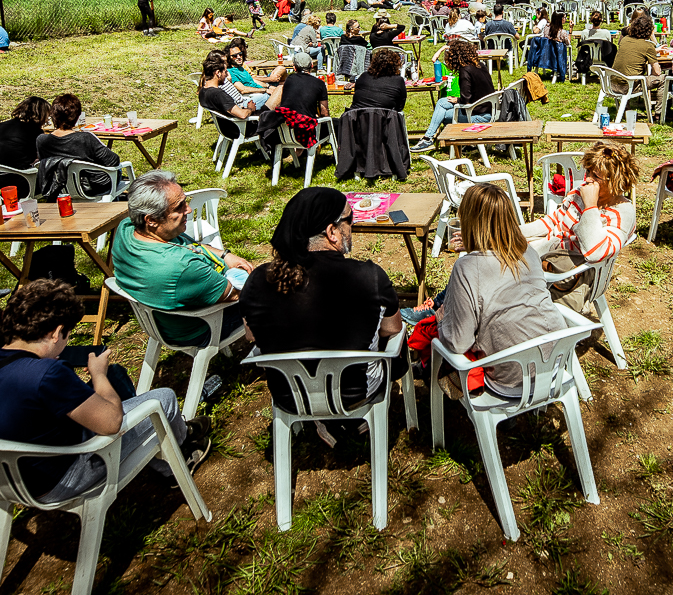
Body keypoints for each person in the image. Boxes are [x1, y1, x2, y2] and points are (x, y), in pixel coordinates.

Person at [0, 278, 212, 503]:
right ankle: (180, 455)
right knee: (162, 398)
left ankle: (167, 443)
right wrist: (97, 374)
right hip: (60, 479)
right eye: (68, 334)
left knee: (116, 377)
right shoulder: (45, 374)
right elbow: (110, 423)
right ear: (56, 333)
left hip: (4, 480)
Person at [239, 187, 402, 415]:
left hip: (291, 398)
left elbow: (251, 335)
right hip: (356, 395)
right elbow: (392, 328)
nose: (352, 226)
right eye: (349, 219)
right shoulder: (369, 276)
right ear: (331, 231)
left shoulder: (258, 280)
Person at [435, 183, 567, 397]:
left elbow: (459, 342)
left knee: (439, 336)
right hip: (556, 363)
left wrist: (441, 320)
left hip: (511, 380)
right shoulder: (528, 251)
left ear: (468, 221)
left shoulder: (466, 267)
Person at [111, 170, 254, 346]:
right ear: (152, 220)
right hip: (202, 326)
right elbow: (236, 294)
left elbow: (190, 245)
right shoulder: (181, 267)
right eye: (179, 207)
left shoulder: (126, 229)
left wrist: (225, 255)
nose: (188, 209)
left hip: (163, 321)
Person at [523, 141, 637, 289]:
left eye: (596, 176)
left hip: (571, 274)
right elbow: (553, 221)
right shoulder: (580, 192)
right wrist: (514, 231)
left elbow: (594, 252)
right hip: (548, 250)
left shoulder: (622, 213)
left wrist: (590, 206)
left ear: (615, 182)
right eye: (588, 172)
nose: (588, 179)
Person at [412, 39, 493, 153]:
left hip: (478, 115)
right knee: (442, 102)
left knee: (443, 115)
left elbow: (466, 101)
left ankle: (430, 139)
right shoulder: (479, 65)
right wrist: (458, 99)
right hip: (488, 109)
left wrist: (458, 100)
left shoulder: (465, 71)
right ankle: (428, 137)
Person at [37, 94, 122, 197]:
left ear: (53, 115)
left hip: (60, 188)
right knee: (117, 171)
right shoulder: (85, 138)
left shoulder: (41, 140)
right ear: (77, 116)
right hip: (93, 188)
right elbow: (113, 160)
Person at [0, 95, 52, 176]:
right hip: (15, 176)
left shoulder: (0, 126)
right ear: (41, 115)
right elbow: (38, 157)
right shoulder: (34, 131)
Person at [200, 55, 264, 126]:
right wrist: (250, 109)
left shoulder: (203, 91)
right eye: (225, 72)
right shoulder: (219, 94)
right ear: (218, 73)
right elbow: (242, 115)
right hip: (243, 128)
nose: (226, 75)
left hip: (227, 127)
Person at [349, 47, 408, 111]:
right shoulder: (398, 81)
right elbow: (400, 107)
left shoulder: (364, 76)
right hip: (384, 119)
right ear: (396, 65)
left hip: (355, 118)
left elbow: (357, 96)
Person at [280, 53, 330, 120]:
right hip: (307, 125)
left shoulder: (289, 79)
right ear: (312, 65)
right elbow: (324, 112)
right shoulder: (319, 83)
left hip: (287, 124)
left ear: (294, 68)